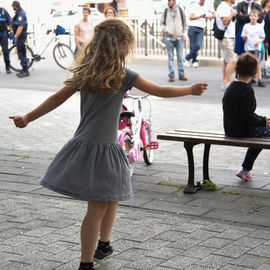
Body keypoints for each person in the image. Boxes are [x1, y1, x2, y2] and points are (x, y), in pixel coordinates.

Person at [9, 19, 207, 270]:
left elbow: (56, 98)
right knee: (98, 206)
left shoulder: (86, 72)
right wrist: (189, 89)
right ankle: (86, 263)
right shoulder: (124, 75)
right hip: (103, 149)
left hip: (89, 145)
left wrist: (28, 117)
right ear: (121, 46)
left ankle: (104, 245)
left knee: (112, 195)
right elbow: (159, 90)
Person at [222, 52, 270, 182]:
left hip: (230, 128)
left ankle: (245, 170)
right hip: (240, 131)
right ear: (255, 73)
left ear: (237, 69)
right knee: (266, 132)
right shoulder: (247, 90)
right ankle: (245, 169)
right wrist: (264, 121)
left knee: (262, 134)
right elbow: (249, 118)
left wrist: (262, 120)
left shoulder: (231, 86)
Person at [161, 0, 188, 82]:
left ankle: (181, 74)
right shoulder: (165, 11)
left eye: (169, 0)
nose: (168, 2)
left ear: (174, 1)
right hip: (169, 38)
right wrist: (166, 30)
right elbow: (161, 24)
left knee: (180, 57)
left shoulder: (180, 10)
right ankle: (171, 75)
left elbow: (185, 24)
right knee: (170, 58)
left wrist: (184, 33)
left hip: (179, 37)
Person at [184, 0, 215, 68]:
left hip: (200, 28)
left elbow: (214, 15)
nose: (202, 2)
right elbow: (191, 17)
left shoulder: (208, 5)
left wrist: (206, 16)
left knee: (198, 45)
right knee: (192, 46)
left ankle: (186, 58)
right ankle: (194, 61)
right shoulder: (194, 5)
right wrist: (200, 16)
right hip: (192, 27)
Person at [216, 0, 237, 90]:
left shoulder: (227, 7)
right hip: (227, 37)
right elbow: (224, 21)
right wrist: (232, 14)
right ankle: (228, 82)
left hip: (228, 36)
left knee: (226, 60)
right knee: (230, 60)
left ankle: (225, 81)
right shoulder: (224, 6)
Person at [241, 9, 265, 87]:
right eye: (252, 15)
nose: (253, 17)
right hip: (248, 47)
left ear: (258, 17)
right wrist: (245, 37)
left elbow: (263, 37)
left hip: (256, 47)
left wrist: (259, 41)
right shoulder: (246, 26)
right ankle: (249, 79)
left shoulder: (259, 26)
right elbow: (243, 37)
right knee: (248, 63)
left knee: (257, 63)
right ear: (249, 17)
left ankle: (260, 79)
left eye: (255, 16)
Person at [11, 1, 29, 78]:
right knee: (20, 53)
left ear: (15, 6)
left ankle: (25, 71)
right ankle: (23, 69)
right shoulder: (17, 13)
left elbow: (20, 27)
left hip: (21, 37)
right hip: (20, 37)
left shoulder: (21, 13)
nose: (12, 8)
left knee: (22, 53)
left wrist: (15, 36)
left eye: (13, 6)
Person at [0, 6, 13, 74]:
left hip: (3, 32)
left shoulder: (3, 11)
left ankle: (7, 67)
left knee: (5, 50)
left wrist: (11, 31)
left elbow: (9, 21)